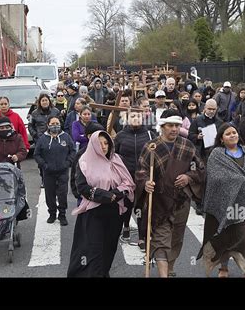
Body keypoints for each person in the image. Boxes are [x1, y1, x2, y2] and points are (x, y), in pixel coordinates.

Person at [135, 110, 205, 277]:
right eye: (170, 125)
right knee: (160, 239)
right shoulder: (151, 147)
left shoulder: (187, 145)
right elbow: (141, 171)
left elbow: (200, 168)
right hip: (159, 202)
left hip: (181, 202)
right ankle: (163, 275)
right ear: (162, 126)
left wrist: (189, 177)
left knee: (176, 239)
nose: (174, 129)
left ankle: (170, 269)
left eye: (177, 125)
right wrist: (146, 183)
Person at [67, 131, 135, 277]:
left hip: (114, 212)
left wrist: (116, 194)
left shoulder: (116, 159)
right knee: (93, 250)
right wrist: (105, 196)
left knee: (109, 248)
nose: (103, 146)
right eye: (100, 143)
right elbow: (82, 187)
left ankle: (104, 272)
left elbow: (127, 182)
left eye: (106, 143)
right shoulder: (84, 161)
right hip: (93, 212)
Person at [198, 123, 245, 278]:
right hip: (222, 204)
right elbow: (215, 178)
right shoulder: (217, 155)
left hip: (244, 203)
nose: (232, 135)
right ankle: (223, 268)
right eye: (228, 133)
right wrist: (237, 181)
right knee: (223, 236)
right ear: (221, 139)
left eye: (234, 132)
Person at [115, 108, 157, 249]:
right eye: (132, 117)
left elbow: (157, 152)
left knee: (142, 206)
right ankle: (125, 226)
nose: (135, 119)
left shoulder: (150, 135)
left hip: (143, 177)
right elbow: (113, 155)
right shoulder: (121, 135)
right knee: (126, 204)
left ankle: (142, 236)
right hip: (125, 176)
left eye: (138, 117)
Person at [34, 116, 76, 225]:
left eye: (57, 123)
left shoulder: (66, 137)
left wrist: (67, 163)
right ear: (48, 125)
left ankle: (62, 215)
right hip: (48, 172)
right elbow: (37, 154)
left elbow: (73, 151)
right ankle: (52, 214)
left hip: (63, 171)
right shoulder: (43, 138)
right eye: (52, 123)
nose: (55, 125)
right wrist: (44, 165)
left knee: (62, 194)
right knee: (50, 195)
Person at [28, 93, 61, 187]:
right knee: (42, 162)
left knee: (56, 160)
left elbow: (61, 123)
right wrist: (35, 135)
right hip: (41, 140)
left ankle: (56, 178)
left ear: (49, 101)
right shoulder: (34, 113)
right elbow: (30, 126)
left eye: (46, 100)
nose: (45, 102)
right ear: (39, 102)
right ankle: (44, 179)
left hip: (55, 138)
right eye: (43, 100)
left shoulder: (55, 111)